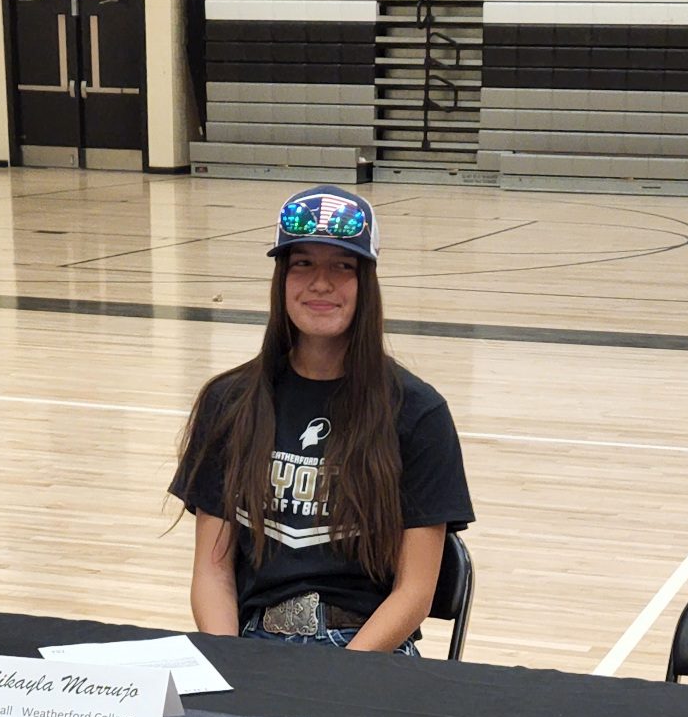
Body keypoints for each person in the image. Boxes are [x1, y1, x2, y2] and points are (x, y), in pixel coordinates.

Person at [171, 185, 473, 655]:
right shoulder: (227, 402)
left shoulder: (418, 412)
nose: (320, 283)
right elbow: (213, 572)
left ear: (367, 282)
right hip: (255, 643)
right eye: (303, 263)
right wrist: (232, 665)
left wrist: (338, 678)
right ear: (281, 277)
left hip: (368, 650)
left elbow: (414, 593)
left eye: (342, 266)